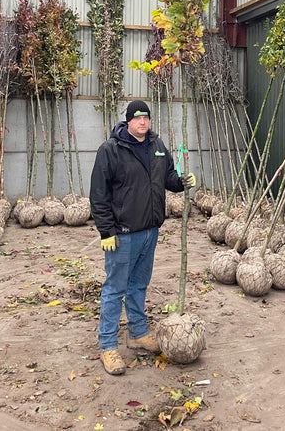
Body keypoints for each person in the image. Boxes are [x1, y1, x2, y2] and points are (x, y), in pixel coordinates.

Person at [89, 100, 196, 375]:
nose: (142, 123)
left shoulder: (157, 147)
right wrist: (106, 231)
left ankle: (137, 332)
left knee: (139, 285)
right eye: (137, 119)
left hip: (150, 230)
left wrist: (181, 182)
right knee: (115, 289)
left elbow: (168, 178)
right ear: (127, 121)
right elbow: (99, 194)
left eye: (146, 118)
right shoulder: (111, 150)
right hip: (123, 234)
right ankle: (108, 346)